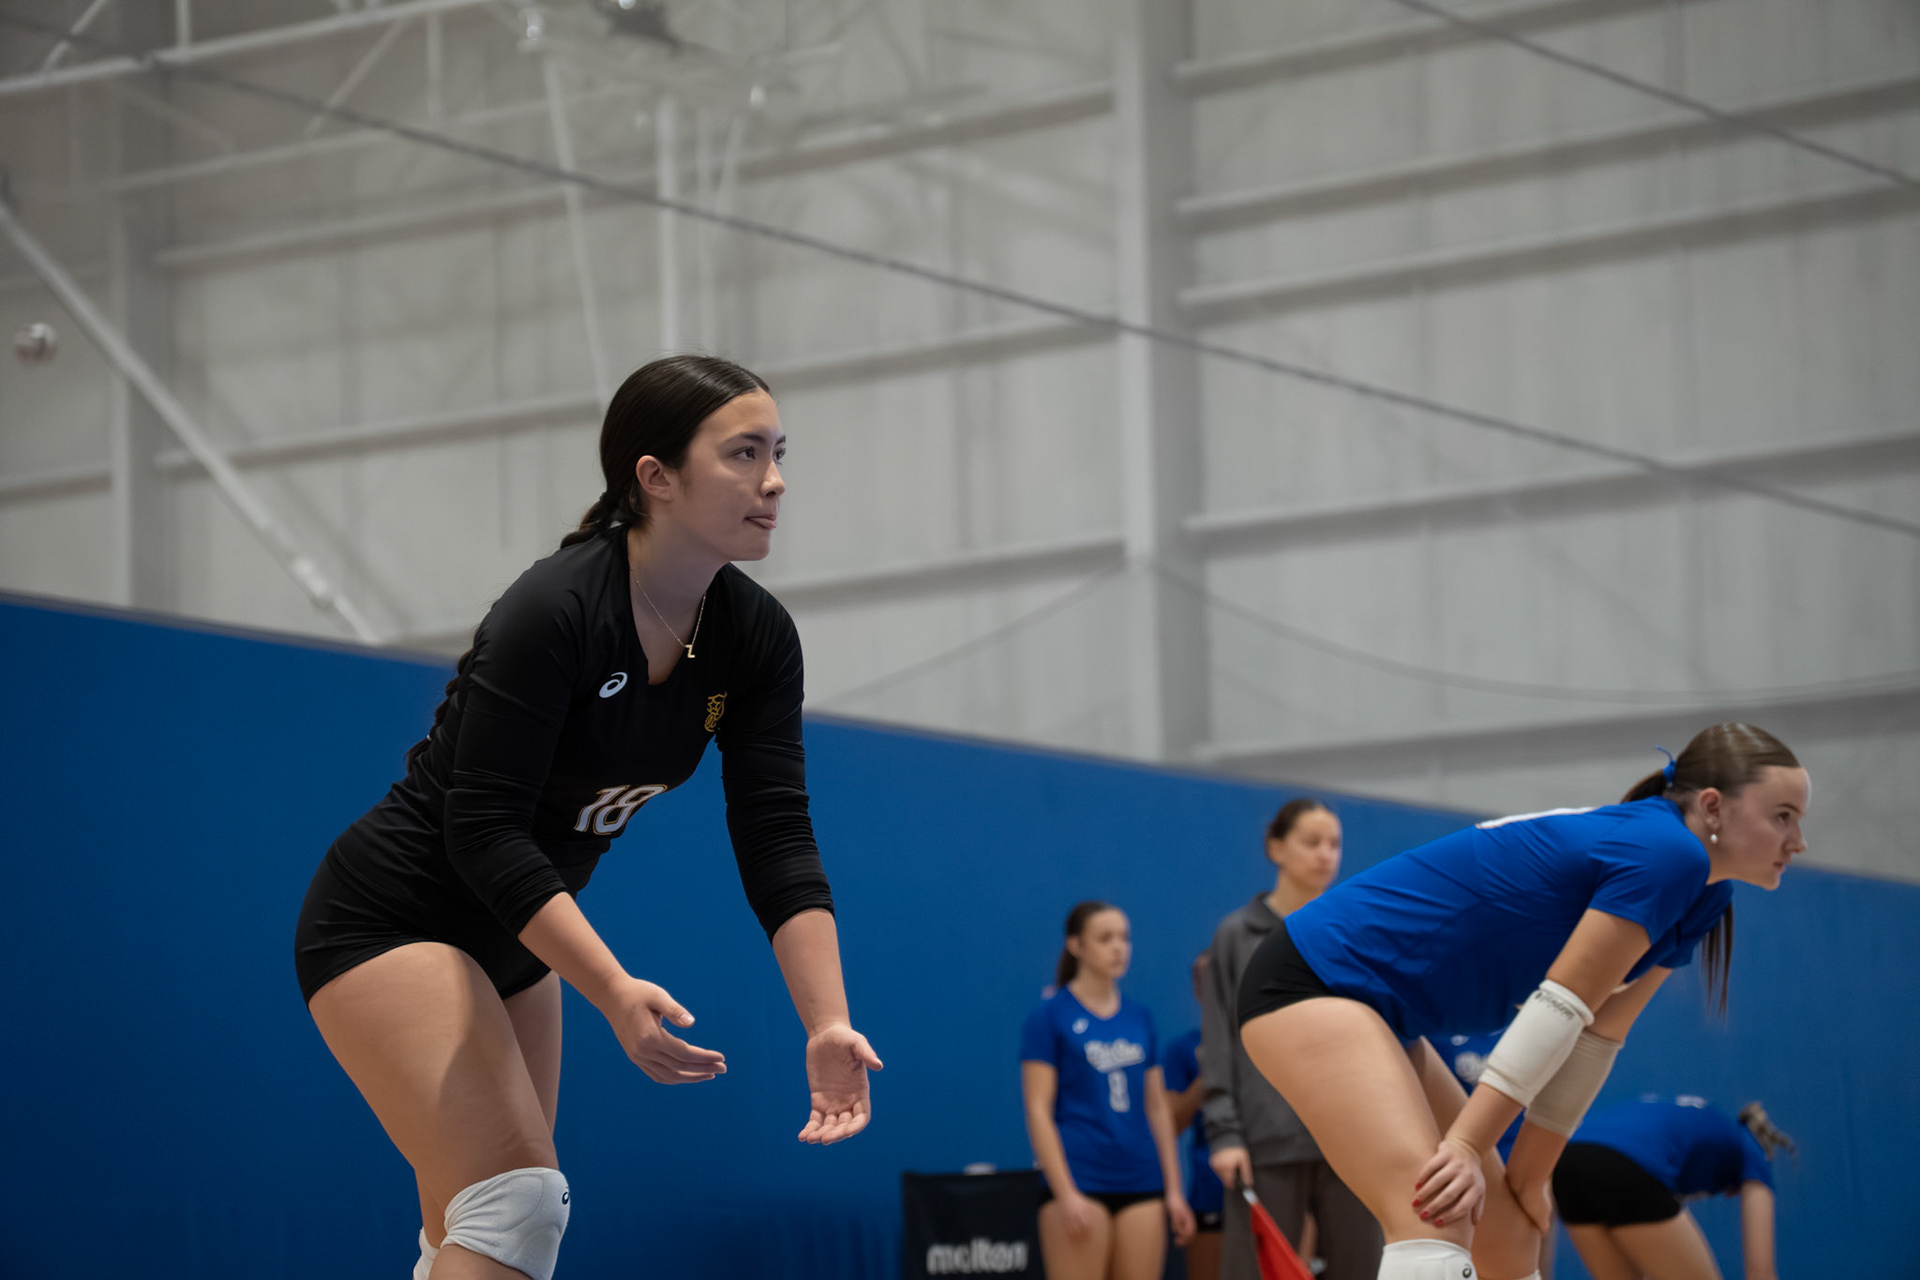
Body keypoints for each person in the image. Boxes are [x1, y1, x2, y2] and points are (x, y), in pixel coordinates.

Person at [293, 355, 882, 1280]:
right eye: (744, 453)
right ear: (656, 476)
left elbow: (776, 833)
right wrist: (611, 989)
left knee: (476, 1229)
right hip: (390, 921)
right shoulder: (556, 608)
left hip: (519, 942)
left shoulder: (755, 636)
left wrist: (826, 1021)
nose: (774, 480)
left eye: (778, 453)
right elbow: (483, 829)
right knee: (515, 1205)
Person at [1236, 724, 1809, 1280]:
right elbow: (1559, 1005)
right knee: (1435, 1213)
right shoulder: (1669, 853)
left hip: (1382, 1012)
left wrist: (1530, 1177)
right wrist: (1465, 1145)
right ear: (1712, 806)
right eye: (1782, 816)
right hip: (1314, 980)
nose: (1798, 841)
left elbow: (1597, 1037)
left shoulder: (1706, 894)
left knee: (1510, 1242)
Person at [1202, 799, 1382, 1280]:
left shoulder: (1352, 928)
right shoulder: (1236, 935)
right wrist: (1224, 1133)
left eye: (1334, 844)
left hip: (1348, 1136)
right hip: (1266, 1139)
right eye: (1311, 842)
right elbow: (1218, 1038)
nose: (1325, 854)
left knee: (1364, 1269)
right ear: (1276, 848)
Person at [1021, 901, 1196, 1280]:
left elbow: (1157, 1108)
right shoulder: (1049, 1016)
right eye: (1105, 938)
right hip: (1081, 1177)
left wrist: (1173, 1190)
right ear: (1076, 945)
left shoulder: (1139, 1016)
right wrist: (1064, 1192)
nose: (1118, 947)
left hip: (1141, 1177)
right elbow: (1037, 1110)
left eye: (1124, 938)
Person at [1554, 1097, 1794, 1280]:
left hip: (1565, 1164)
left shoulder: (1693, 1119)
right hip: (1627, 1164)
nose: (1729, 1194)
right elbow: (1760, 1272)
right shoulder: (1754, 1152)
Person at [1165, 954, 1229, 1280]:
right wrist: (1204, 1080)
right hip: (1209, 1192)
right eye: (1207, 981)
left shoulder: (1261, 1039)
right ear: (1196, 989)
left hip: (1268, 1188)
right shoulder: (1183, 1050)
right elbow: (1171, 1124)